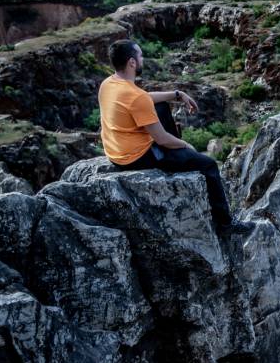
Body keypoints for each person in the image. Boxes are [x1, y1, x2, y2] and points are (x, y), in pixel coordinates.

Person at [98, 39, 247, 233]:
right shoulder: (136, 97)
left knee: (160, 105)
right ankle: (226, 224)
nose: (143, 58)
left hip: (115, 150)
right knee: (208, 165)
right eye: (140, 55)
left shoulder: (109, 83)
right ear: (132, 62)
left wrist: (177, 94)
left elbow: (142, 100)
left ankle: (176, 153)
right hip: (136, 158)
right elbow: (161, 138)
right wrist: (185, 145)